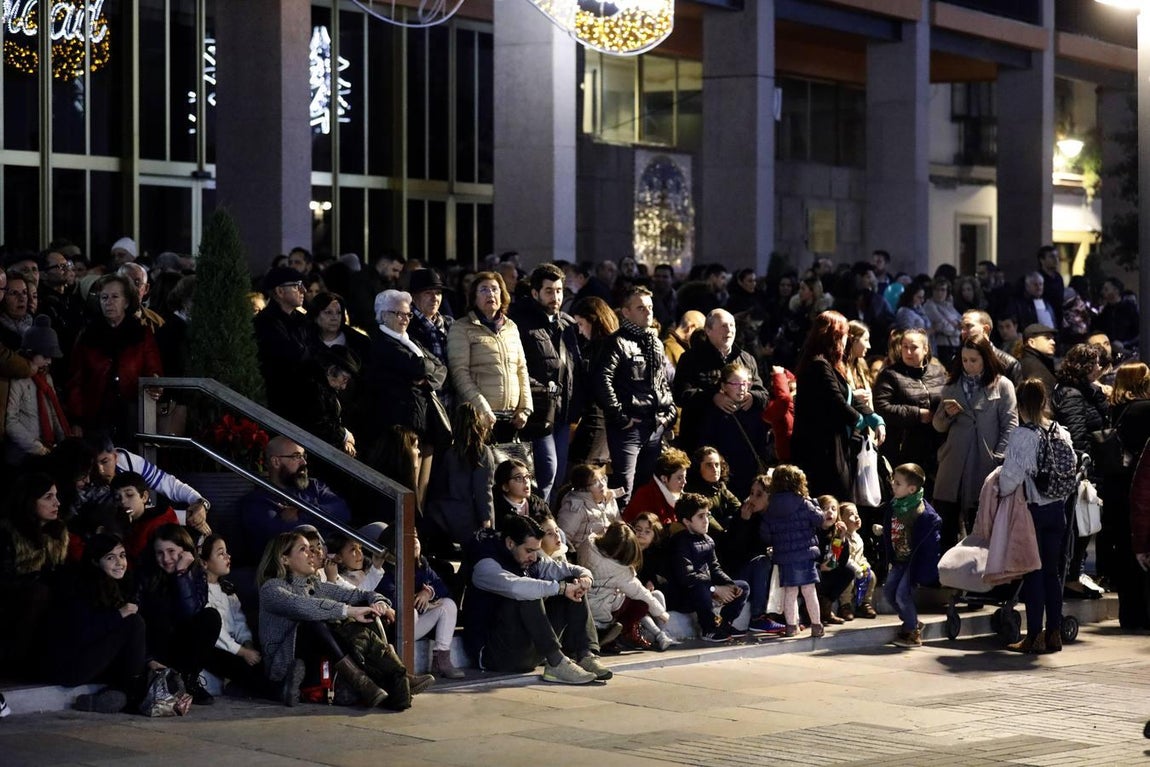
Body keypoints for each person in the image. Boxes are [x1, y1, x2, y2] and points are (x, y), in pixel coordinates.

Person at [257, 532, 427, 709]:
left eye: (311, 549)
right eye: (303, 549)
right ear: (284, 559)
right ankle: (363, 681)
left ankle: (394, 674)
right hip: (283, 666)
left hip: (317, 660)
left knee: (367, 614)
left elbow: (358, 594)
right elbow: (302, 606)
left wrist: (379, 603)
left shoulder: (315, 585)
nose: (312, 554)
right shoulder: (271, 588)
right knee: (313, 623)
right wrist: (348, 611)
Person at [464, 514, 611, 684]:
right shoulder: (484, 565)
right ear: (510, 543)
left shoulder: (529, 560)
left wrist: (585, 578)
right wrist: (561, 588)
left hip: (530, 650)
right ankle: (556, 663)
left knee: (572, 581)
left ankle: (586, 655)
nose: (534, 557)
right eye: (529, 551)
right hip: (496, 655)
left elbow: (567, 569)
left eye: (536, 551)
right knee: (528, 592)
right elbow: (515, 587)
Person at [999, 379, 1076, 653]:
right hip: (1058, 510)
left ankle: (1034, 636)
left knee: (1033, 572)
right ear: (1044, 402)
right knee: (1052, 572)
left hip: (1033, 511)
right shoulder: (1061, 432)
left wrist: (999, 490)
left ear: (1020, 405)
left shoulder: (1022, 435)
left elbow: (1010, 479)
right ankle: (1054, 633)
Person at [363, 289, 450, 509]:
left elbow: (441, 368)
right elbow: (418, 366)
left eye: (408, 314)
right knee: (407, 485)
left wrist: (427, 381)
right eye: (399, 314)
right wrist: (425, 370)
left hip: (424, 421)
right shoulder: (382, 342)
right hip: (400, 424)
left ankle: (418, 527)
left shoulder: (411, 341)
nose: (405, 319)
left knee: (423, 488)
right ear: (384, 315)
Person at [932, 335, 1018, 545]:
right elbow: (938, 425)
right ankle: (945, 565)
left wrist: (998, 458)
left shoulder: (1002, 385)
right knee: (946, 524)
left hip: (984, 462)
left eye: (973, 360)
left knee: (980, 525)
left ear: (985, 359)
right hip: (953, 462)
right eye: (964, 360)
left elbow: (1010, 425)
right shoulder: (952, 385)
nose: (968, 365)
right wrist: (947, 414)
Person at [45, 533, 145, 713]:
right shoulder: (80, 586)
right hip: (70, 665)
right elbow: (80, 633)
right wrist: (119, 615)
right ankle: (130, 693)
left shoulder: (120, 584)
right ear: (95, 561)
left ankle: (112, 696)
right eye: (110, 558)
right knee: (133, 622)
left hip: (93, 660)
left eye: (122, 555)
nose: (120, 562)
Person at [595, 286, 677, 498]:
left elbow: (663, 382)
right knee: (625, 489)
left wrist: (668, 415)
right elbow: (602, 380)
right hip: (629, 427)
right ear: (626, 312)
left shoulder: (655, 342)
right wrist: (620, 417)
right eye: (641, 308)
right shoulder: (616, 342)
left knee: (646, 489)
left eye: (650, 307)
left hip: (655, 425)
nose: (648, 312)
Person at [509, 264, 581, 502]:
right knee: (546, 471)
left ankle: (547, 518)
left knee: (558, 476)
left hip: (563, 412)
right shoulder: (519, 323)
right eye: (549, 291)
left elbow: (574, 368)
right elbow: (517, 367)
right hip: (538, 410)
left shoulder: (568, 325)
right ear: (535, 292)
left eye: (559, 291)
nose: (555, 297)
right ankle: (538, 518)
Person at [66, 273, 162, 441]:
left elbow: (153, 368)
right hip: (96, 414)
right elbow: (76, 380)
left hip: (132, 413)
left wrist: (155, 384)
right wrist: (77, 419)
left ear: (126, 302)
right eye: (104, 297)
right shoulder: (88, 334)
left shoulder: (141, 333)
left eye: (115, 297)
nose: (108, 302)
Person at [137, 524, 222, 705]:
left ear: (185, 551)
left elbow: (190, 613)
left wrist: (182, 574)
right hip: (154, 648)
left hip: (181, 645)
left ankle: (188, 681)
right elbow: (139, 622)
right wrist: (149, 659)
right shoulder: (145, 574)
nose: (166, 559)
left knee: (211, 616)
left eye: (171, 551)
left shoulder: (196, 573)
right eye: (160, 553)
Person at [791, 311, 870, 501]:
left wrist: (872, 416)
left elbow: (845, 394)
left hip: (824, 445)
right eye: (844, 335)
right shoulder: (819, 365)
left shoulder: (823, 363)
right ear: (834, 337)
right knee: (831, 500)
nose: (846, 341)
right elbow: (836, 401)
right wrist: (862, 421)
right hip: (820, 449)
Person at [1051, 343, 1109, 599]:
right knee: (1079, 525)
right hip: (1082, 470)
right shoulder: (1073, 394)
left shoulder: (1083, 391)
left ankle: (1073, 574)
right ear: (1083, 366)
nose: (1099, 367)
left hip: (1087, 469)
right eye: (1095, 363)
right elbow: (1077, 435)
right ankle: (1070, 576)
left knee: (1084, 524)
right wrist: (1088, 468)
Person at [237, 436, 352, 563]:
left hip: (333, 560)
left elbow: (343, 512)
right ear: (276, 462)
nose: (304, 462)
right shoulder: (257, 501)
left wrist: (301, 513)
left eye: (303, 456)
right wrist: (320, 516)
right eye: (296, 456)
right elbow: (281, 537)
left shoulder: (314, 486)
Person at [446, 271, 532, 438]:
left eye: (495, 289)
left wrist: (525, 409)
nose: (490, 294)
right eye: (484, 289)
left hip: (511, 418)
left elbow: (521, 369)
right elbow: (459, 373)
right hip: (478, 418)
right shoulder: (461, 327)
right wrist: (482, 409)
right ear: (474, 297)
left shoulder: (511, 327)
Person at [673, 308, 767, 456]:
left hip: (739, 442)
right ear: (708, 330)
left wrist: (752, 397)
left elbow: (763, 394)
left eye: (732, 325)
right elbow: (680, 395)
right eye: (723, 326)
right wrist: (713, 397)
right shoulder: (691, 358)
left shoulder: (747, 359)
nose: (729, 330)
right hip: (702, 443)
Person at [0, 474, 68, 674]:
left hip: (46, 597)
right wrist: (39, 578)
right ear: (30, 501)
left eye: (56, 495)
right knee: (39, 592)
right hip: (12, 602)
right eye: (48, 497)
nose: (57, 502)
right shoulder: (8, 533)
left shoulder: (58, 532)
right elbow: (5, 581)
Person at [375, 532, 464, 679]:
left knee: (448, 605)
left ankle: (441, 661)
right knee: (411, 612)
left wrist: (428, 592)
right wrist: (420, 602)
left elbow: (443, 589)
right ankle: (402, 668)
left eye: (416, 537)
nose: (415, 541)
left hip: (416, 625)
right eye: (409, 538)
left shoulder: (421, 564)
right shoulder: (387, 569)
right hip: (396, 631)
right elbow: (392, 599)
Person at [664, 493, 749, 643]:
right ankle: (708, 628)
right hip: (684, 595)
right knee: (701, 588)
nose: (706, 521)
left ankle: (724, 624)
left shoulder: (708, 540)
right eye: (700, 516)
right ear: (687, 521)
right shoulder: (680, 542)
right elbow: (686, 578)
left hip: (706, 588)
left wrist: (729, 584)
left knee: (742, 587)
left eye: (707, 515)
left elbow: (715, 568)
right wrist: (714, 589)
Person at [579, 521, 675, 651]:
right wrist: (660, 612)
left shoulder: (588, 545)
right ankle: (613, 634)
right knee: (640, 605)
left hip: (585, 601)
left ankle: (606, 636)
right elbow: (639, 591)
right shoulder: (619, 571)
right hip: (602, 610)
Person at [1105, 363, 1150, 629]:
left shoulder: (1115, 408)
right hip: (1138, 485)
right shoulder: (1145, 409)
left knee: (1123, 551)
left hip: (1116, 487)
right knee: (1140, 552)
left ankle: (1129, 614)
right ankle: (1143, 614)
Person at [873, 328, 948, 484]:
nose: (908, 352)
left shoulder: (938, 372)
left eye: (914, 347)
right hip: (904, 447)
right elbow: (881, 407)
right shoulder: (890, 375)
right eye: (905, 346)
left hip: (936, 446)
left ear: (925, 349)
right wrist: (917, 414)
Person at [199, 534, 269, 697]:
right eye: (220, 553)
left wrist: (247, 643)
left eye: (226, 552)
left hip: (234, 646)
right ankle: (275, 692)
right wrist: (242, 652)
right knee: (243, 667)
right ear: (204, 562)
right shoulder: (200, 591)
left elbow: (239, 621)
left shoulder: (227, 590)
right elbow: (216, 634)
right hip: (215, 649)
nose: (227, 556)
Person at [760, 465, 825, 638]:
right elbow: (819, 519)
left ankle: (791, 627)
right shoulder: (804, 503)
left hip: (784, 557)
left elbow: (765, 534)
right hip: (805, 554)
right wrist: (814, 502)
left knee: (790, 592)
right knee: (809, 590)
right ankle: (816, 625)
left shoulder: (771, 507)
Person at [422, 403, 496, 552]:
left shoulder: (449, 452)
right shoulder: (482, 452)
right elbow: (483, 490)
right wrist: (486, 520)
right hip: (470, 519)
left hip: (445, 517)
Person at [882, 463, 941, 648]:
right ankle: (911, 620)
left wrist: (925, 568)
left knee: (902, 595)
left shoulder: (923, 514)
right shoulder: (894, 505)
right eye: (893, 481)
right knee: (888, 592)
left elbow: (931, 546)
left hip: (913, 563)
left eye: (898, 483)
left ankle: (912, 631)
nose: (893, 485)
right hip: (898, 559)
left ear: (912, 489)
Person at [5, 315, 69, 465]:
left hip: (48, 448)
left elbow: (54, 412)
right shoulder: (17, 380)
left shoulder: (46, 378)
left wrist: (64, 441)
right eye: (45, 356)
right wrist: (37, 447)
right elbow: (11, 421)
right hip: (23, 454)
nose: (49, 361)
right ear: (30, 352)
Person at [252, 266, 312, 416]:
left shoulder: (302, 320)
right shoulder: (264, 322)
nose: (303, 290)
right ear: (279, 291)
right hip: (279, 400)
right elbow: (290, 355)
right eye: (297, 286)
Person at [567, 295, 619, 468]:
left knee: (582, 472)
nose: (580, 331)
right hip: (603, 425)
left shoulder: (600, 350)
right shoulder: (612, 347)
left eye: (581, 324)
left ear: (594, 321)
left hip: (594, 422)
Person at [556, 463, 621, 553]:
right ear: (583, 489)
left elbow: (619, 527)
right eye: (595, 482)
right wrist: (573, 556)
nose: (602, 485)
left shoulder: (610, 498)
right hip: (586, 553)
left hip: (608, 549)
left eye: (602, 479)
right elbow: (562, 537)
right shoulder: (575, 507)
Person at [622, 446, 690, 526]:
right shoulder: (645, 497)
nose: (684, 482)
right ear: (664, 478)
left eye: (685, 477)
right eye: (679, 478)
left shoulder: (676, 495)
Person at [836, 502, 877, 619]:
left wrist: (864, 565)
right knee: (848, 577)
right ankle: (845, 605)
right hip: (846, 568)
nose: (856, 517)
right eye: (851, 514)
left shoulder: (858, 538)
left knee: (871, 576)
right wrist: (855, 568)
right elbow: (842, 557)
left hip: (859, 568)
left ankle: (864, 603)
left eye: (857, 514)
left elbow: (860, 556)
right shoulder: (840, 537)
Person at [492, 458, 552, 532]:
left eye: (527, 476)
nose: (526, 481)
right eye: (518, 478)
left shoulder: (538, 503)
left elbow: (552, 528)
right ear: (505, 487)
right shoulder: (496, 510)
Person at [923, 278, 961, 366]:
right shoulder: (930, 305)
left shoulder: (948, 305)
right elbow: (942, 326)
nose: (939, 293)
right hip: (942, 347)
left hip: (955, 345)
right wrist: (955, 327)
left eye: (943, 290)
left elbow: (962, 321)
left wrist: (956, 325)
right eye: (936, 290)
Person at [1019, 324, 1059, 394]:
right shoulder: (1033, 368)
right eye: (1047, 338)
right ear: (1032, 342)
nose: (1053, 342)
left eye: (1053, 338)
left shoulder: (1039, 362)